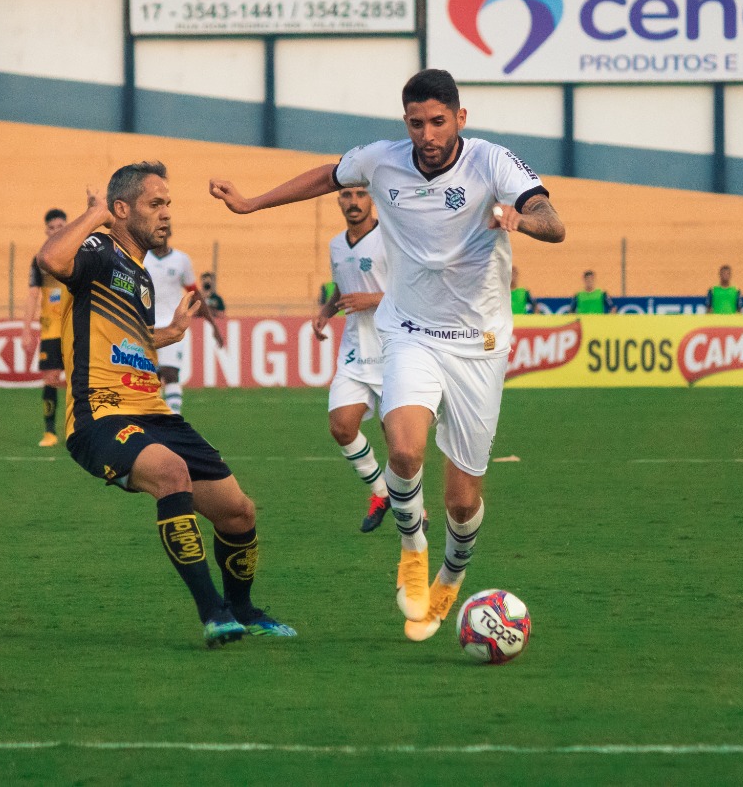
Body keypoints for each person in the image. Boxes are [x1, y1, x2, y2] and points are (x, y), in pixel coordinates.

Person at [210, 68, 565, 642]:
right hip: (410, 331)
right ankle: (412, 546)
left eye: (438, 121)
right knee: (403, 451)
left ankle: (452, 573)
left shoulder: (492, 162)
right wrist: (252, 203)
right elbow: (325, 177)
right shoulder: (381, 160)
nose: (427, 134)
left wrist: (520, 219)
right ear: (406, 122)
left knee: (462, 498)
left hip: (480, 344)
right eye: (417, 122)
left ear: (460, 118)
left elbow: (554, 222)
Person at [37, 162, 294, 647]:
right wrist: (93, 214)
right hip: (101, 414)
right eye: (155, 204)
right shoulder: (97, 250)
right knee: (171, 473)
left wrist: (165, 335)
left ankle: (243, 608)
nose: (166, 214)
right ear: (121, 209)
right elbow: (51, 258)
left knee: (239, 513)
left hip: (154, 411)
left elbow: (122, 337)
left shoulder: (142, 277)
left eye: (168, 204)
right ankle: (213, 613)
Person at [311, 186, 392, 533]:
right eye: (346, 195)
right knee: (341, 426)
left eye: (360, 194)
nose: (353, 201)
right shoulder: (335, 245)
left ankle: (415, 510)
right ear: (338, 200)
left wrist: (373, 299)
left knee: (401, 445)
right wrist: (326, 312)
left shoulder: (392, 236)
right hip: (355, 351)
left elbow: (416, 289)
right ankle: (380, 491)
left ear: (371, 198)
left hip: (395, 351)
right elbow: (343, 288)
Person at [144, 225, 225, 415]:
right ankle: (150, 419)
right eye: (156, 230)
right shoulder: (142, 258)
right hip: (145, 326)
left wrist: (213, 324)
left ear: (170, 234)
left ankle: (174, 420)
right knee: (148, 377)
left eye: (164, 230)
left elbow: (195, 294)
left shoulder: (181, 260)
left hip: (174, 326)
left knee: (170, 372)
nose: (160, 234)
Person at [22, 208, 70, 447]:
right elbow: (32, 296)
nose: (55, 231)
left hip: (75, 327)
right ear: (46, 230)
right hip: (51, 330)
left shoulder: (76, 254)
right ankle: (50, 432)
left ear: (67, 227)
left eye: (60, 227)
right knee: (50, 379)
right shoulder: (39, 259)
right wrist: (26, 329)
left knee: (78, 380)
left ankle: (75, 428)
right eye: (52, 228)